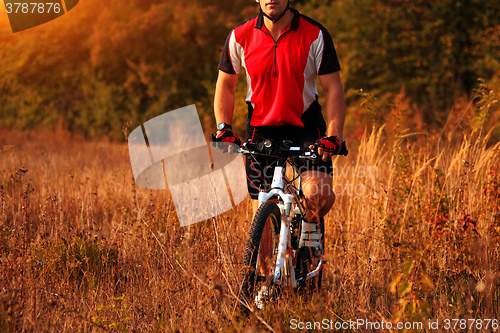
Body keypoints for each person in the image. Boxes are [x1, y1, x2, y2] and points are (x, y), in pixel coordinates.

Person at [213, 0, 347, 250]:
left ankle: (308, 231)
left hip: (306, 126)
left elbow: (333, 88)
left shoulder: (315, 33)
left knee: (319, 195)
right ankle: (263, 285)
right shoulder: (239, 36)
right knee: (262, 209)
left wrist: (334, 136)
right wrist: (224, 128)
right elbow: (226, 86)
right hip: (260, 127)